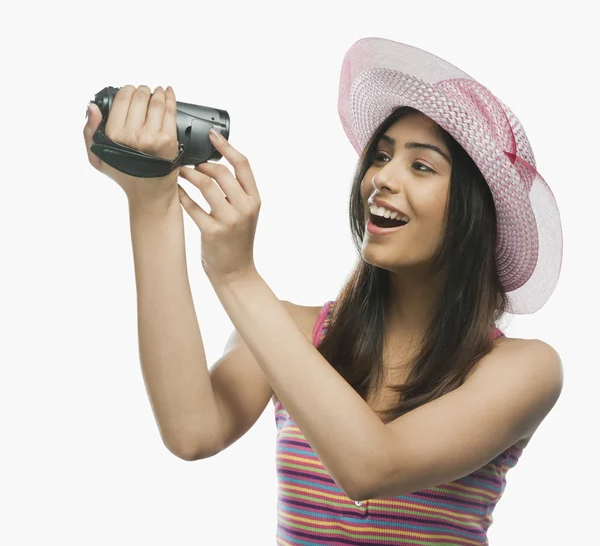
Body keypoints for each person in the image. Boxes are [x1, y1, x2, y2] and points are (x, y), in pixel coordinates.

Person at [83, 37, 564, 544]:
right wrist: (151, 200)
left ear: (472, 214)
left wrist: (235, 276)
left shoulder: (522, 370)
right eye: (381, 156)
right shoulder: (292, 332)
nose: (381, 178)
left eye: (421, 166)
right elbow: (191, 430)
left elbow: (372, 467)